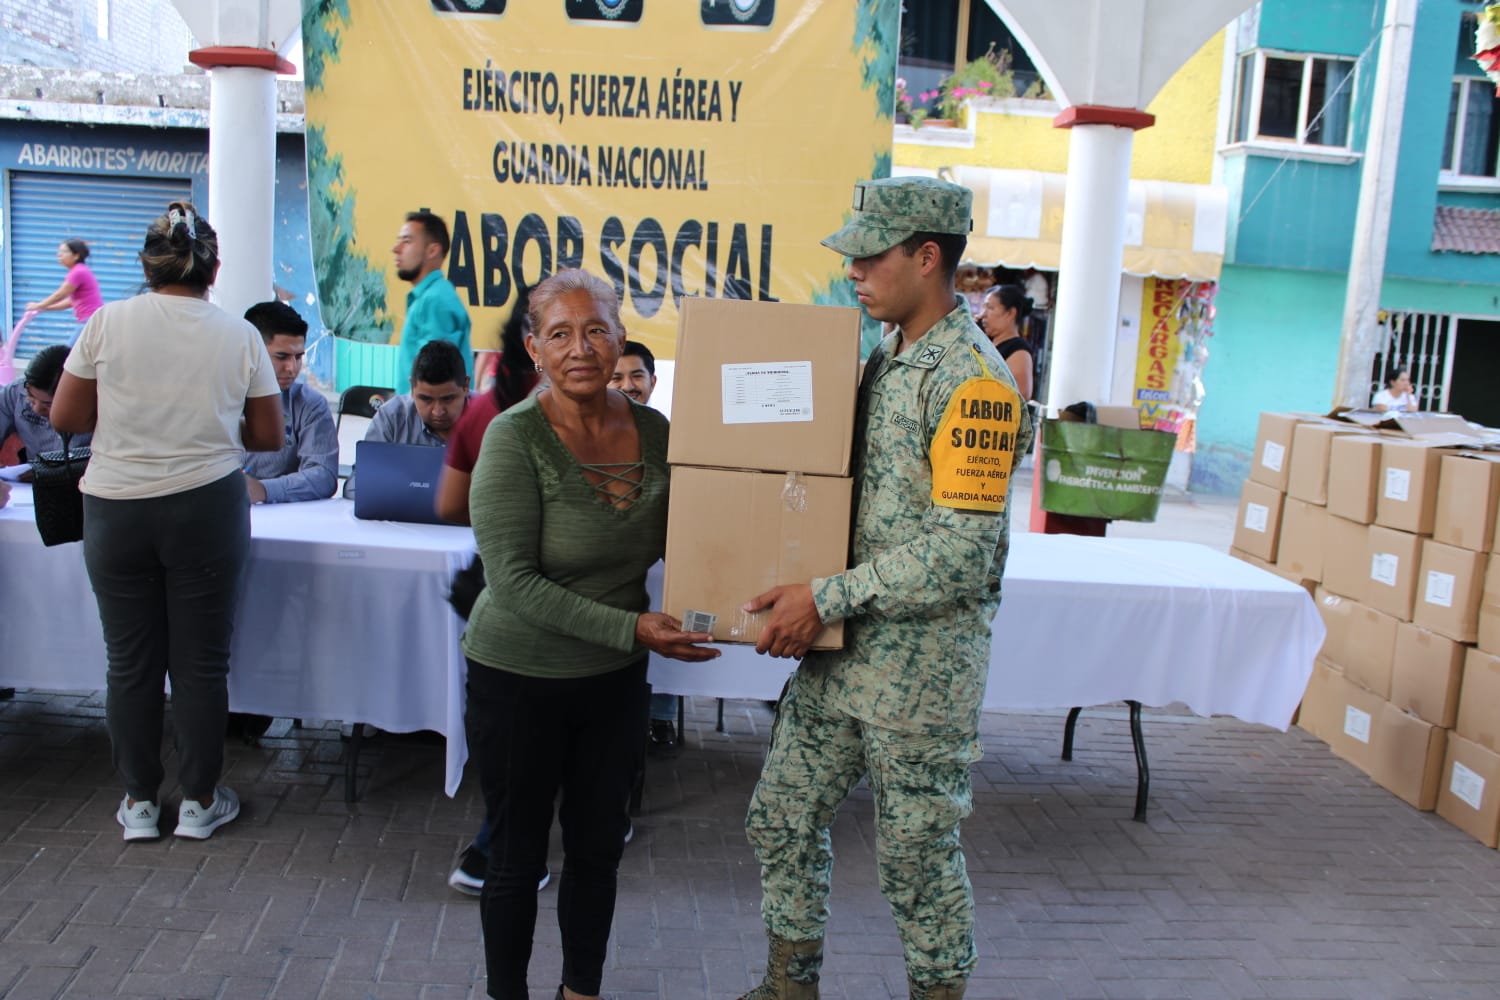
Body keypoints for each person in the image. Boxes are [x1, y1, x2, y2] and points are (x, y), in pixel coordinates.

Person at [736, 177, 1032, 1000]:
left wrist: (823, 597)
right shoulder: (887, 355)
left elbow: (960, 554)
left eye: (870, 257)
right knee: (781, 818)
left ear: (926, 256)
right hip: (841, 662)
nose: (854, 273)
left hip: (919, 678)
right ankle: (790, 987)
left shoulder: (974, 382)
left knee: (915, 862)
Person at [463, 268, 718, 1000]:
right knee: (514, 857)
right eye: (562, 333)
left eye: (598, 330)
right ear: (534, 348)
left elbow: (700, 534)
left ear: (621, 341)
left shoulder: (656, 433)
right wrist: (634, 628)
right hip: (518, 677)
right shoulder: (513, 441)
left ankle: (581, 992)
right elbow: (511, 583)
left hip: (612, 683)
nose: (582, 348)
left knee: (598, 852)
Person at [49, 201, 283, 843]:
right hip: (206, 506)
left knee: (129, 662)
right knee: (201, 665)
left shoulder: (106, 322)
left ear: (148, 266)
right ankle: (202, 802)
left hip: (116, 508)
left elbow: (66, 419)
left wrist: (132, 419)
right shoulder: (237, 334)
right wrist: (205, 421)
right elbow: (267, 432)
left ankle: (140, 804)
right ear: (213, 270)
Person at [607, 340, 681, 752]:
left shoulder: (668, 435)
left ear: (653, 381)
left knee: (670, 613)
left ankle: (663, 713)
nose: (628, 385)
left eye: (637, 376)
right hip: (617, 562)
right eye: (617, 376)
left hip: (663, 559)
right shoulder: (591, 437)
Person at [343, 340, 471, 499]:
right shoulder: (392, 417)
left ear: (466, 386)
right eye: (426, 399)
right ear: (412, 387)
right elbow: (356, 486)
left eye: (448, 399)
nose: (438, 411)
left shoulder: (489, 420)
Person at [240, 301, 338, 503]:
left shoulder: (310, 405)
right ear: (250, 351)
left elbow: (324, 476)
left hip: (284, 521)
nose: (292, 368)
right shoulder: (217, 399)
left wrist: (263, 490)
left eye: (298, 357)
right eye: (281, 356)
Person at [394, 210, 473, 382]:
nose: (396, 249)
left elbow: (434, 382)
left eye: (407, 241)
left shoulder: (435, 300)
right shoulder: (430, 297)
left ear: (432, 250)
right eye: (398, 241)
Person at [0, 345, 92, 463]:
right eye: (31, 398)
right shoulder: (14, 393)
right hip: (30, 478)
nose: (37, 410)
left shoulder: (99, 404)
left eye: (48, 404)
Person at [25, 239, 104, 342]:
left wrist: (38, 305)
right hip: (93, 320)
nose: (59, 255)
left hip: (89, 320)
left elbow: (60, 295)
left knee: (69, 353)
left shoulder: (78, 272)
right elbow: (70, 302)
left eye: (64, 252)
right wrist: (45, 308)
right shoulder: (80, 270)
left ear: (76, 255)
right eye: (59, 251)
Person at [980, 283, 1035, 400]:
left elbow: (1021, 394)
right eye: (984, 308)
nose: (983, 314)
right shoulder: (986, 343)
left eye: (990, 308)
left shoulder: (1019, 350)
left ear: (1011, 313)